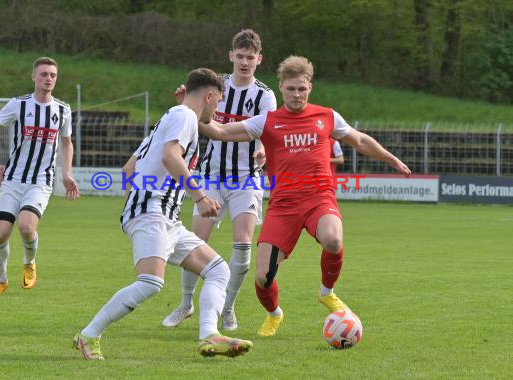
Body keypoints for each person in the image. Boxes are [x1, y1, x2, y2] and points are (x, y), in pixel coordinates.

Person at [198, 56, 411, 337]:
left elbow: (359, 140)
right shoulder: (268, 121)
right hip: (283, 206)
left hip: (318, 198)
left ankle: (327, 293)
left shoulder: (327, 117)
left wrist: (391, 159)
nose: (297, 94)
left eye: (302, 88)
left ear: (310, 86)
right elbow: (220, 131)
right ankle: (275, 314)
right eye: (291, 89)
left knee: (333, 239)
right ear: (281, 88)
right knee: (262, 278)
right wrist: (194, 108)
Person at [73, 68, 253, 360]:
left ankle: (209, 334)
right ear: (209, 96)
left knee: (218, 270)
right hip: (153, 212)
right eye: (218, 102)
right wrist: (199, 196)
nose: (217, 108)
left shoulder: (170, 118)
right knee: (150, 283)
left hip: (163, 216)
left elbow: (129, 169)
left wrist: (136, 203)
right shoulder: (184, 117)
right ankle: (88, 335)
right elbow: (171, 157)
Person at [162, 29, 277, 331]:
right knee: (196, 243)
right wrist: (185, 103)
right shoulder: (218, 87)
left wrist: (263, 150)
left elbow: (269, 131)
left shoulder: (264, 95)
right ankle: (186, 304)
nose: (244, 62)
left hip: (246, 180)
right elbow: (196, 115)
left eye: (250, 57)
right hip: (211, 177)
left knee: (242, 245)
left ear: (259, 60)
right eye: (239, 56)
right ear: (231, 56)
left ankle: (228, 308)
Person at [0, 57, 79, 296]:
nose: (48, 79)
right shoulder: (18, 105)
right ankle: (1, 279)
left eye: (53, 75)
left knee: (27, 227)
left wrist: (67, 174)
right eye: (44, 74)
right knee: (0, 234)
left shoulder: (62, 109)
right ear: (33, 77)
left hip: (41, 180)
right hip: (13, 179)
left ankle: (29, 262)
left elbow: (67, 143)